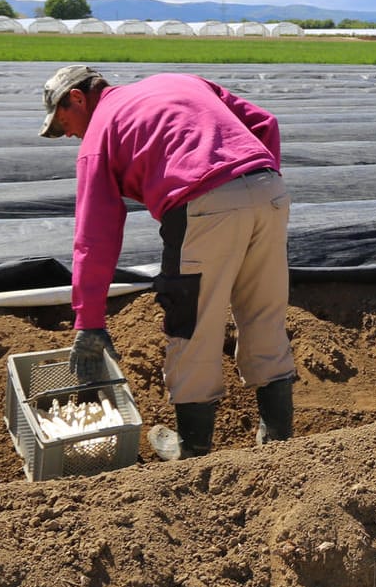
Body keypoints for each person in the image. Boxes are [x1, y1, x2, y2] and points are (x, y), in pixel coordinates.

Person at [39, 64, 296, 460]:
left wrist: (89, 323)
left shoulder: (100, 131)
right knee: (264, 313)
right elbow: (265, 121)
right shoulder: (178, 82)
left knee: (191, 323)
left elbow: (94, 236)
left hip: (203, 203)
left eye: (64, 123)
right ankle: (279, 445)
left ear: (76, 97)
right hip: (269, 189)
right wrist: (253, 192)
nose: (69, 134)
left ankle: (193, 453)